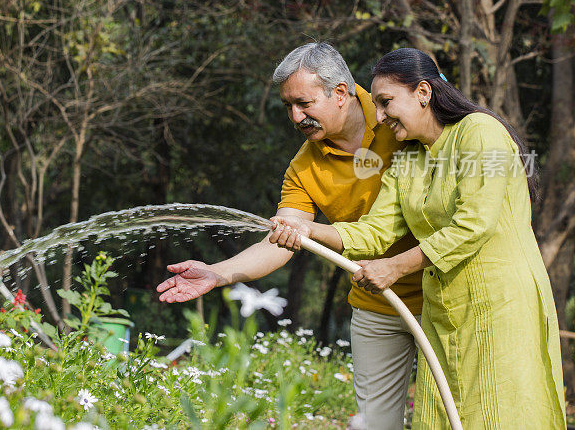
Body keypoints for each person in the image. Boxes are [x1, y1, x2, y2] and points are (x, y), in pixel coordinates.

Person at [270, 48, 566, 429]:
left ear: (423, 93)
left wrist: (395, 266)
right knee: (444, 417)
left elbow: (473, 226)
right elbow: (375, 230)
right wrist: (309, 231)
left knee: (502, 413)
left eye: (386, 102)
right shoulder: (410, 157)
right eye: (376, 104)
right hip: (443, 312)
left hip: (500, 305)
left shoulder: (479, 133)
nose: (378, 116)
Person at [157, 42, 423, 429]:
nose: (295, 116)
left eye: (304, 103)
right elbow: (281, 238)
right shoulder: (303, 167)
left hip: (439, 295)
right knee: (378, 424)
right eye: (288, 107)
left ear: (340, 93)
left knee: (446, 416)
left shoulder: (395, 114)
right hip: (377, 302)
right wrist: (220, 274)